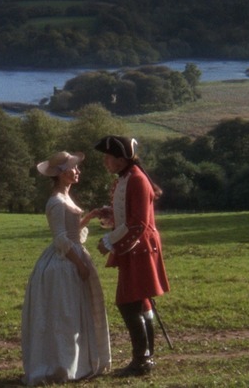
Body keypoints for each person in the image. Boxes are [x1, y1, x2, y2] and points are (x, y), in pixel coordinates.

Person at [21, 151, 111, 386]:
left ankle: (77, 362)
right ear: (61, 174)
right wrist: (79, 263)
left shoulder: (66, 198)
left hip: (72, 256)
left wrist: (88, 217)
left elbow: (71, 230)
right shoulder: (55, 201)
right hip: (63, 263)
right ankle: (61, 364)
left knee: (74, 312)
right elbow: (61, 238)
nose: (77, 171)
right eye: (73, 168)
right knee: (64, 314)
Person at [93, 135, 170, 377]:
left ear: (120, 159)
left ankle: (142, 360)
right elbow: (127, 214)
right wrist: (108, 212)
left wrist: (109, 241)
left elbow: (138, 224)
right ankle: (146, 357)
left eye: (108, 157)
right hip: (133, 247)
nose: (105, 161)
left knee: (128, 303)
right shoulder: (125, 179)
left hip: (138, 247)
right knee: (140, 302)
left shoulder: (136, 180)